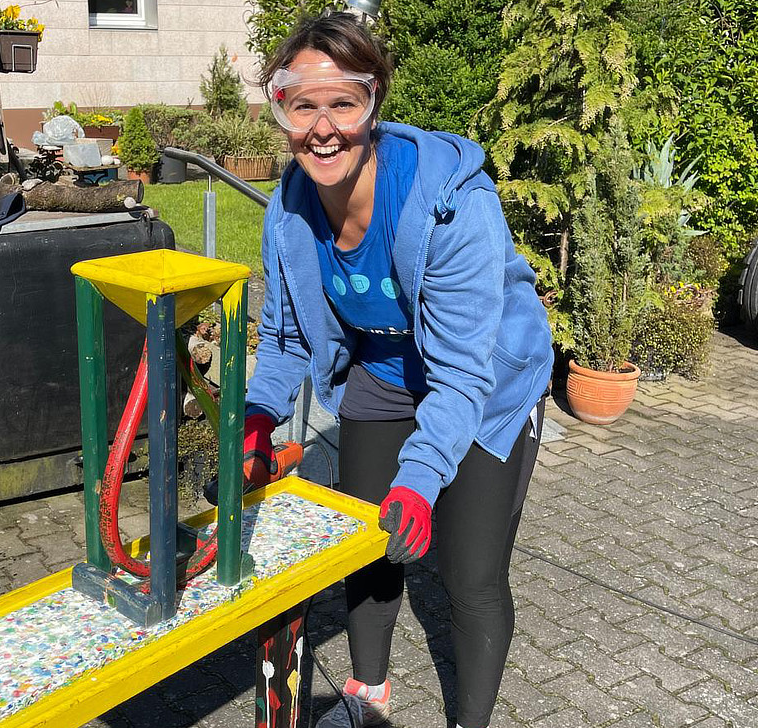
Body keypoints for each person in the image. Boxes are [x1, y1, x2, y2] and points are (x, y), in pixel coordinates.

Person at [241, 11, 554, 728]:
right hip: (383, 374)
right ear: (280, 111)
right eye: (303, 104)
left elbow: (462, 375)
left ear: (373, 101)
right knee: (367, 544)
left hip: (486, 382)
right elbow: (287, 336)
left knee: (468, 574)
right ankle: (366, 698)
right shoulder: (288, 210)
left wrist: (420, 480)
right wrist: (258, 416)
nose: (323, 128)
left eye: (343, 103)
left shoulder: (449, 203)